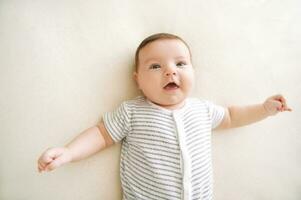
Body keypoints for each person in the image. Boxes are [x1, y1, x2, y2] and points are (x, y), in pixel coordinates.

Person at [37, 33, 292, 200]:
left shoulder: (201, 109)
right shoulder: (132, 112)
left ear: (193, 70)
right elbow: (101, 134)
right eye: (155, 66)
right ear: (137, 80)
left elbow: (232, 116)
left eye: (180, 64)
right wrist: (68, 152)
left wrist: (263, 109)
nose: (170, 71)